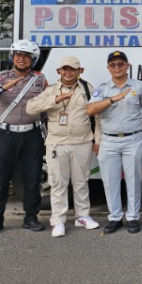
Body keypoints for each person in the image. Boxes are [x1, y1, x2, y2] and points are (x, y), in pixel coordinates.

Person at [0, 40, 48, 236]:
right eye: (18, 54)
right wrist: (3, 87)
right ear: (12, 57)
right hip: (6, 134)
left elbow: (46, 109)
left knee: (32, 178)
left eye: (25, 56)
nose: (21, 58)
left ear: (32, 59)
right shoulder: (1, 77)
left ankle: (31, 218)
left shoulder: (40, 80)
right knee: (1, 179)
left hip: (32, 134)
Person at [26, 56, 101, 237]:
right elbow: (30, 108)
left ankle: (82, 216)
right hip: (57, 144)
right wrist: (57, 99)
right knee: (58, 184)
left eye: (73, 69)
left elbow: (97, 116)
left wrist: (97, 139)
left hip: (82, 142)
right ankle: (58, 221)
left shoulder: (87, 89)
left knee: (81, 182)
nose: (68, 72)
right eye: (65, 69)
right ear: (59, 71)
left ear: (79, 71)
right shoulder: (51, 90)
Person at [86, 51, 142, 234]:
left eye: (121, 64)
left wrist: (141, 132)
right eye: (113, 64)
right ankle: (115, 217)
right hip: (109, 140)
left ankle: (133, 217)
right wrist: (112, 100)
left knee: (134, 181)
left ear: (127, 66)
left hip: (133, 139)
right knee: (110, 181)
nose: (117, 67)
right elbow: (90, 110)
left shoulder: (139, 86)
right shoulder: (103, 89)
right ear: (108, 68)